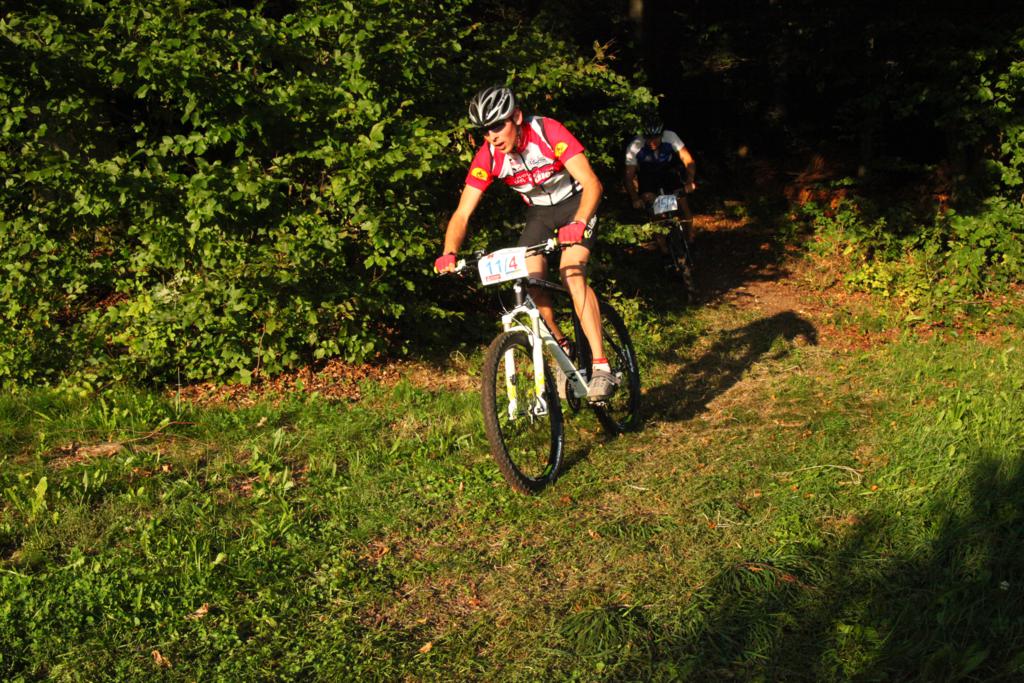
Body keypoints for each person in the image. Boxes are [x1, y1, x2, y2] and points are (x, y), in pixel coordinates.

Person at [433, 85, 617, 402]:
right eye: (484, 130)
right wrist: (449, 252)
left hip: (576, 204)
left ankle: (602, 366)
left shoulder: (547, 131)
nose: (492, 136)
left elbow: (592, 183)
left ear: (516, 117)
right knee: (530, 281)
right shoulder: (488, 156)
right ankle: (564, 348)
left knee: (571, 273)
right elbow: (462, 213)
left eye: (497, 125)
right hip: (540, 214)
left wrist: (579, 222)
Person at [623, 118, 697, 235]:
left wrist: (690, 180)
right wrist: (635, 198)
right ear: (644, 136)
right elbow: (628, 177)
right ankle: (662, 245)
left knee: (683, 203)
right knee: (653, 209)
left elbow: (688, 160)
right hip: (647, 175)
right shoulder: (635, 146)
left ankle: (690, 238)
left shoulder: (670, 136)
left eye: (656, 137)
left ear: (662, 135)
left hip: (667, 171)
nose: (652, 142)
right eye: (648, 138)